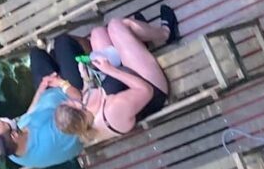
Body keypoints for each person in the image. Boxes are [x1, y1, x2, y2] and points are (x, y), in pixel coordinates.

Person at [50, 10, 178, 146]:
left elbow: (92, 89)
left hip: (125, 80)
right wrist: (110, 71)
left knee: (98, 33)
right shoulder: (112, 113)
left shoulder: (87, 114)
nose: (75, 100)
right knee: (117, 26)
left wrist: (86, 76)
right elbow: (145, 90)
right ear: (78, 111)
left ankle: (139, 40)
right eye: (73, 103)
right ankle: (166, 33)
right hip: (151, 88)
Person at [0, 33, 89, 169]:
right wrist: (62, 83)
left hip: (50, 92)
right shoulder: (50, 138)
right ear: (14, 135)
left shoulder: (11, 149)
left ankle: (59, 56)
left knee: (36, 53)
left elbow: (30, 114)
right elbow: (78, 109)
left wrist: (42, 88)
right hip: (74, 95)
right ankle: (91, 53)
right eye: (3, 124)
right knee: (63, 42)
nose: (3, 119)